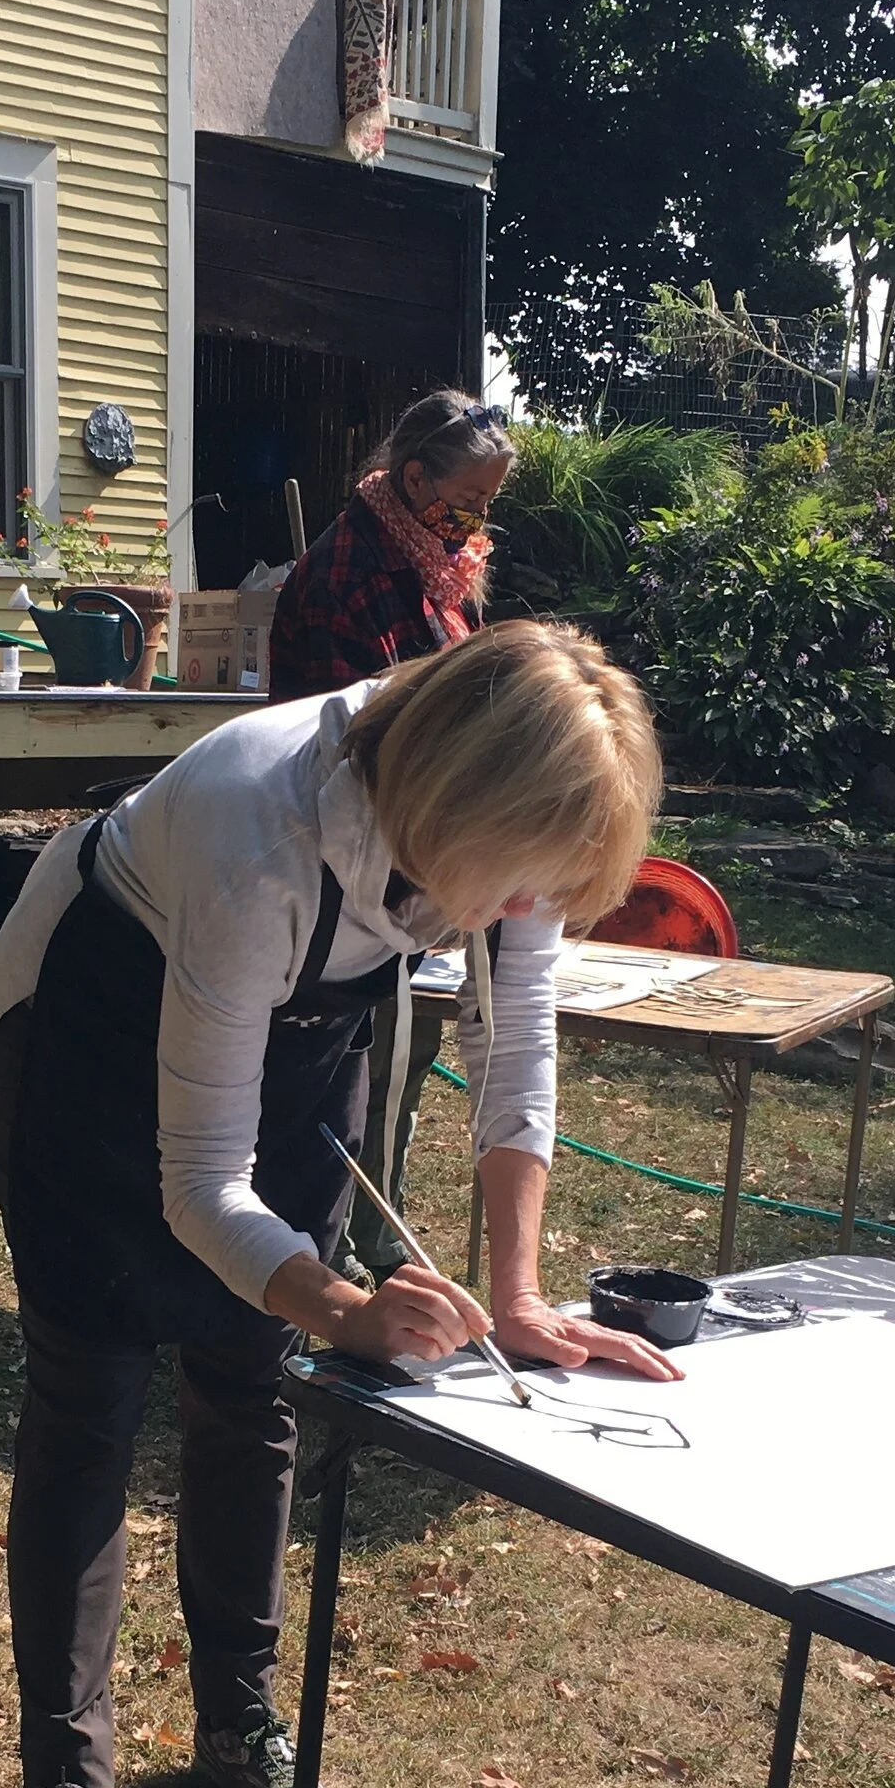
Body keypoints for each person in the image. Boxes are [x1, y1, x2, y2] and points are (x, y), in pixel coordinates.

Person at [0, 618, 674, 1788]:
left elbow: (513, 1048)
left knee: (255, 1382)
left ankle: (238, 1726)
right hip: (86, 1033)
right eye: (518, 887)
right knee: (93, 1406)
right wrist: (347, 1308)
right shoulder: (258, 824)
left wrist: (517, 1293)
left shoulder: (498, 839)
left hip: (277, 1048)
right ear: (449, 810)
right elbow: (195, 1188)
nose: (524, 915)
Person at [266, 391, 516, 1277]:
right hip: (334, 861)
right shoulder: (349, 573)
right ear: (415, 479)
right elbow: (365, 746)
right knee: (340, 1065)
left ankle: (369, 1235)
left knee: (402, 1059)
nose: (478, 522)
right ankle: (311, 1255)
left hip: (416, 857)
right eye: (468, 501)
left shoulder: (439, 569)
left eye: (489, 505)